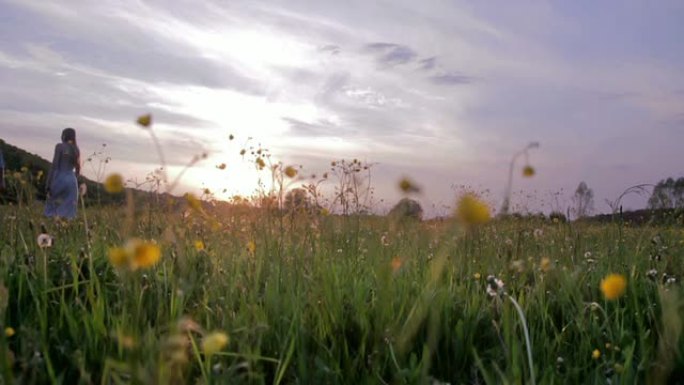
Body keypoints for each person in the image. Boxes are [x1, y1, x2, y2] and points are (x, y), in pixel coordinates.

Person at [45, 128, 81, 219]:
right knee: (68, 213)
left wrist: (48, 184)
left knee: (53, 209)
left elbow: (54, 166)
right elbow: (78, 169)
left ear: (64, 136)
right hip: (72, 181)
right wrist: (73, 179)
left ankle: (52, 231)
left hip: (60, 178)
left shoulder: (59, 146)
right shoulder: (76, 149)